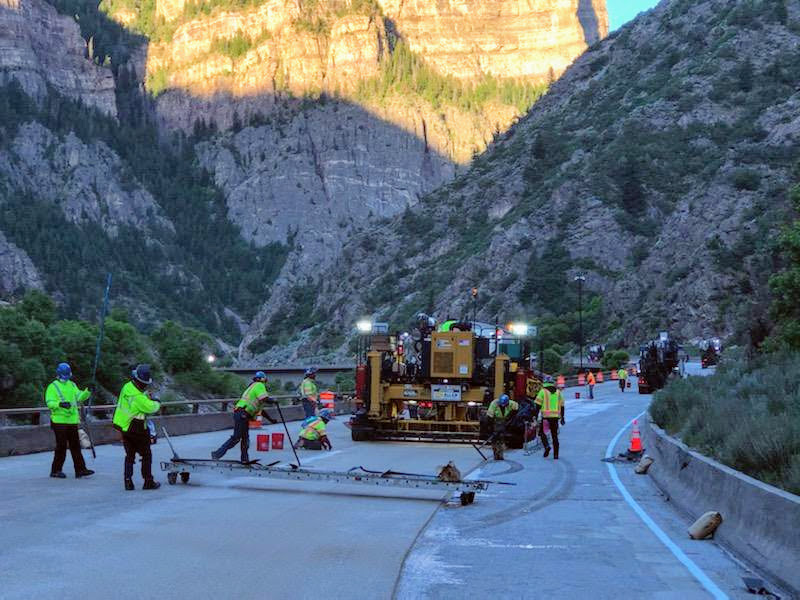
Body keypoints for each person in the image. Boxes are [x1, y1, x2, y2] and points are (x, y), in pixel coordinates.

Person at [113, 364, 161, 490]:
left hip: (124, 427)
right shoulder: (139, 398)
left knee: (129, 456)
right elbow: (151, 407)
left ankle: (128, 481)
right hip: (138, 428)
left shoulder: (127, 387)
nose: (145, 386)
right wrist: (156, 401)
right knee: (146, 455)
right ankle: (148, 481)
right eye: (144, 384)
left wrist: (145, 396)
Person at [212, 371, 278, 462]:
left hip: (242, 414)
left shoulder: (252, 387)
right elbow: (264, 398)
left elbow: (261, 411)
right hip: (242, 413)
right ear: (263, 379)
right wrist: (273, 400)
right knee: (236, 437)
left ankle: (244, 459)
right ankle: (217, 454)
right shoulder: (259, 385)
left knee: (245, 438)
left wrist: (270, 419)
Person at [45, 363, 95, 479]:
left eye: (68, 375)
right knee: (61, 446)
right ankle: (56, 470)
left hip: (72, 420)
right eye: (64, 375)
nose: (66, 377)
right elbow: (49, 402)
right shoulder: (53, 386)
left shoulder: (72, 385)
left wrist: (88, 391)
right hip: (59, 421)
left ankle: (80, 470)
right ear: (59, 374)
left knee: (75, 446)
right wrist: (60, 404)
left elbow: (80, 397)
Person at [534, 379, 565, 459]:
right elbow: (562, 406)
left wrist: (535, 416)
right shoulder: (558, 392)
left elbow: (537, 405)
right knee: (554, 436)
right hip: (555, 418)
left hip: (545, 418)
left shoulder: (542, 391)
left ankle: (547, 446)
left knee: (541, 433)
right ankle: (556, 455)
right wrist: (562, 418)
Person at [486, 393, 519, 460]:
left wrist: (510, 417)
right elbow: (489, 417)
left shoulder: (512, 404)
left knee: (501, 437)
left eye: (505, 405)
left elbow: (516, 409)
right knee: (495, 438)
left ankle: (500, 454)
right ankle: (495, 453)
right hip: (496, 420)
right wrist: (491, 429)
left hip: (505, 421)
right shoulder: (494, 404)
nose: (503, 406)